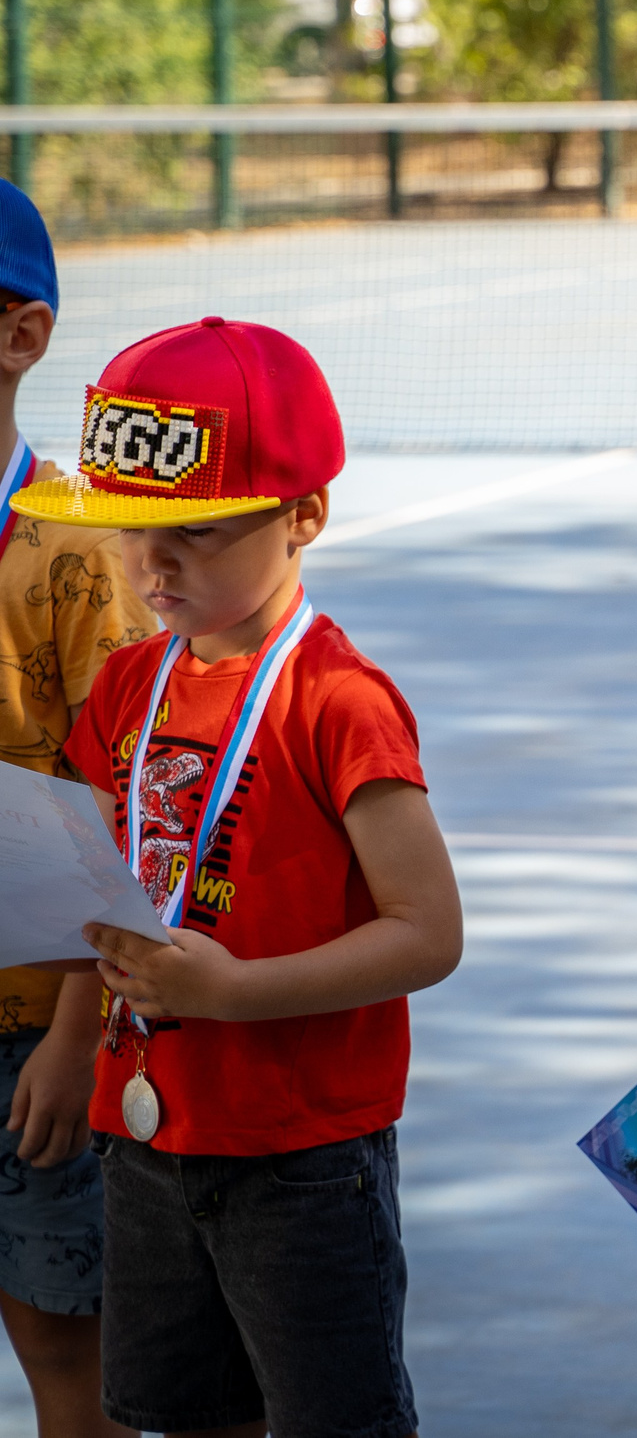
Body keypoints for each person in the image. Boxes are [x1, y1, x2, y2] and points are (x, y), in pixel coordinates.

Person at [11, 316, 464, 1438]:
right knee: (188, 1414)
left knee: (328, 1421)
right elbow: (101, 895)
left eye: (197, 534)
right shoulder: (128, 686)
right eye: (129, 532)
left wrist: (233, 993)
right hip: (146, 1134)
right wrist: (75, 1039)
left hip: (300, 1155)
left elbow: (428, 932)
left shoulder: (339, 700)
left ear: (305, 514)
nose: (151, 564)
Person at [0, 180, 153, 1438]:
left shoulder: (74, 556)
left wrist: (74, 1032)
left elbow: (118, 810)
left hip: (32, 1038)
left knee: (67, 1356)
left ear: (21, 336)